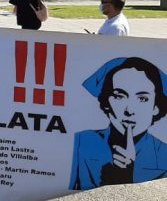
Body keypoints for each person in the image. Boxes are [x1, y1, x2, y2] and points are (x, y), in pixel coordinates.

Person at [69, 57, 167, 190]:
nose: (129, 110)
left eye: (142, 99)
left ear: (156, 107)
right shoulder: (82, 140)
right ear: (107, 102)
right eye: (119, 96)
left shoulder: (163, 155)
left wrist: (125, 180)